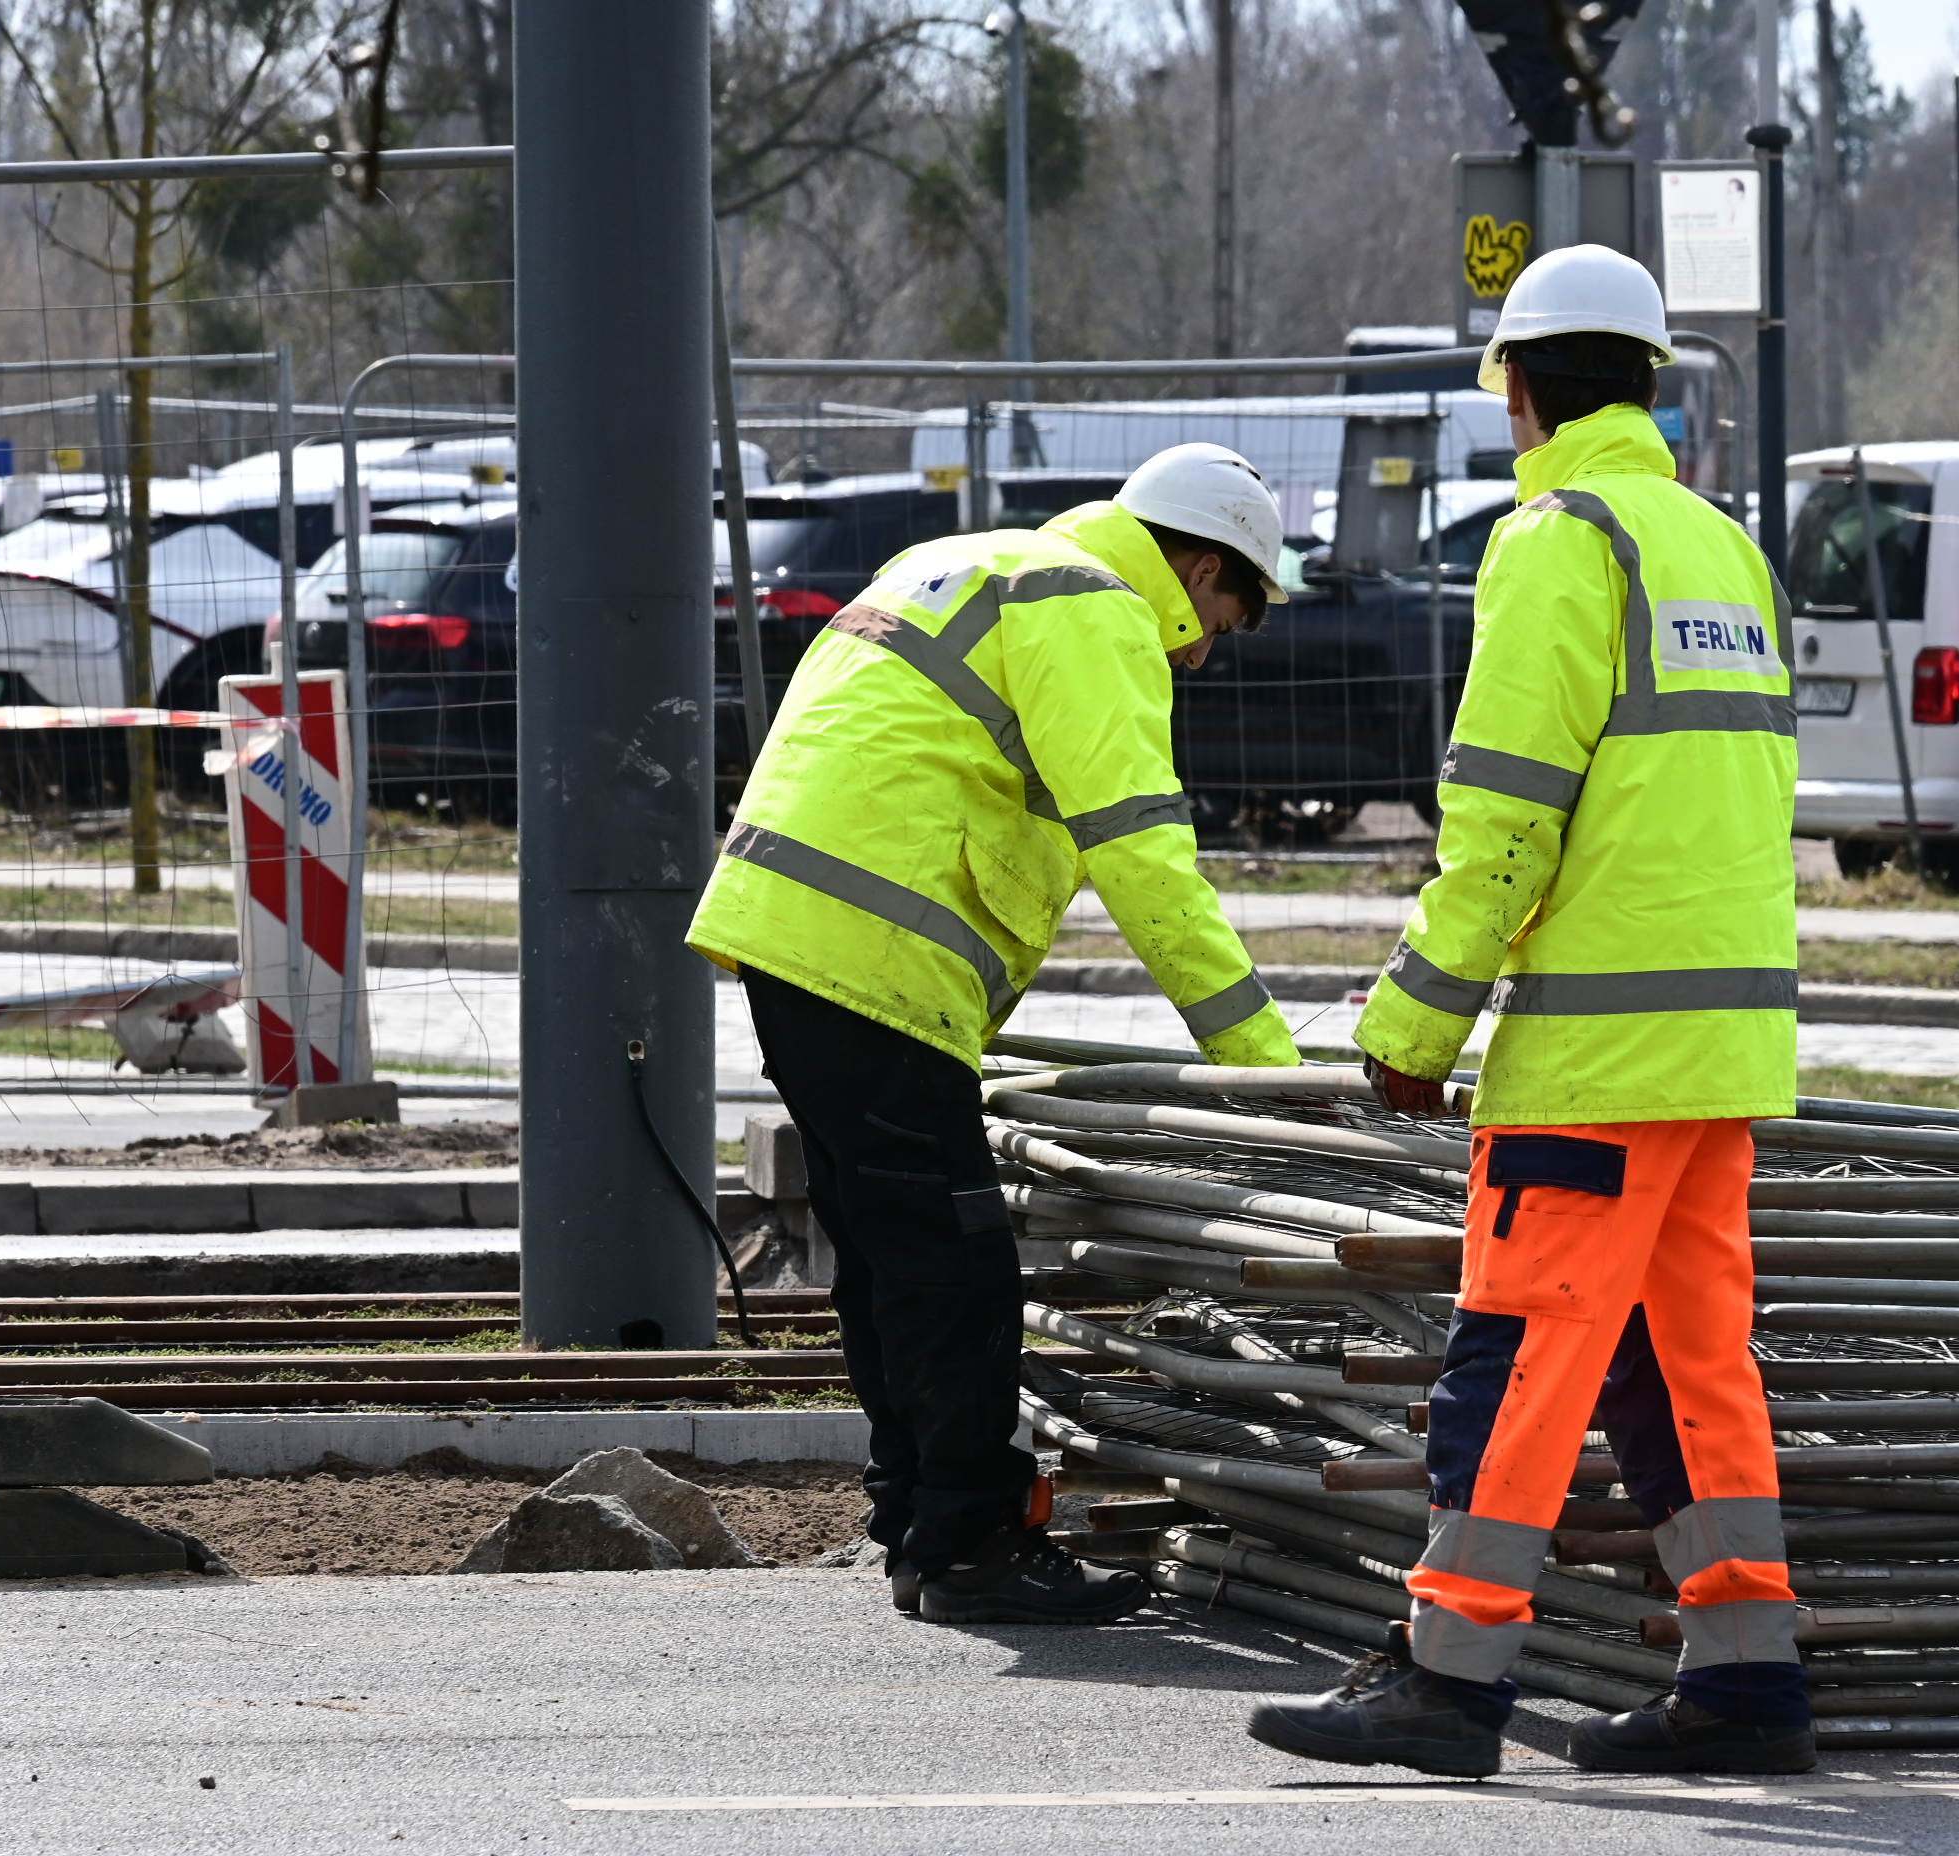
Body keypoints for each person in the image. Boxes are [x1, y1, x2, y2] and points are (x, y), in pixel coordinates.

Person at [1245, 245, 1811, 1777]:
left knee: (1519, 1355)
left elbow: (1503, 815)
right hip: (1723, 1048)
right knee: (1691, 1363)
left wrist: (1416, 1022)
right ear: (1650, 382)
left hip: (1597, 1056)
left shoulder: (1560, 539)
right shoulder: (1717, 545)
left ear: (1517, 387)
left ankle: (1447, 1677)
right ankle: (1748, 1683)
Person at [688, 443, 1304, 1627]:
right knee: (958, 1261)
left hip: (787, 933)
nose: (1209, 644)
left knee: (886, 1248)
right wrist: (1265, 1072)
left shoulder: (965, 560)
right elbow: (1141, 852)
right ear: (1194, 560)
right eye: (1226, 607)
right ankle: (969, 1534)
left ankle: (920, 1510)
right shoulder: (1096, 606)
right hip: (874, 954)